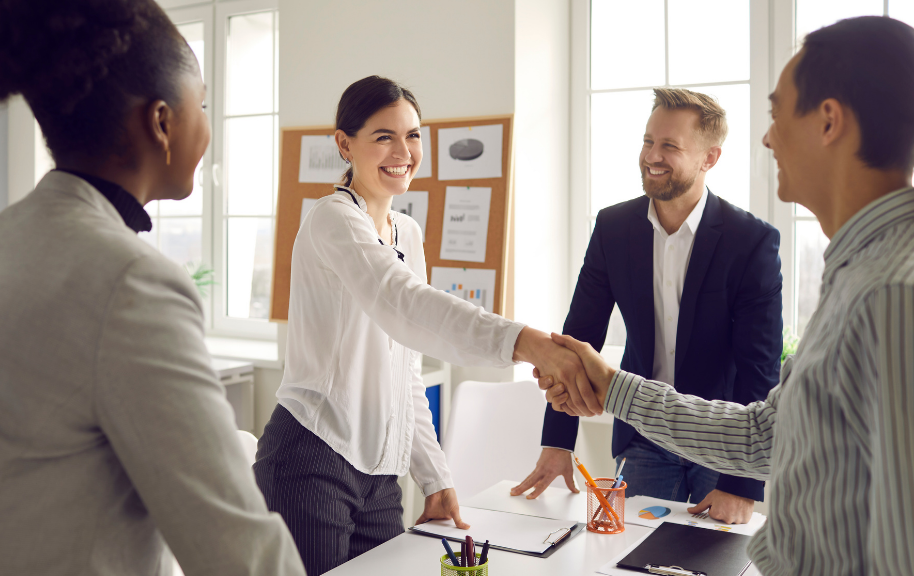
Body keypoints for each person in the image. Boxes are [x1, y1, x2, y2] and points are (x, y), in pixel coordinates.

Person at [0, 1, 305, 575]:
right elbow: (239, 552)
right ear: (163, 123)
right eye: (202, 104)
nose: (207, 124)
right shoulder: (131, 280)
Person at [542, 16, 914, 576]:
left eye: (776, 113)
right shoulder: (859, 275)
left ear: (829, 121)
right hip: (650, 441)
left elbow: (899, 541)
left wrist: (741, 487)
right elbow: (765, 434)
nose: (767, 138)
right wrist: (607, 393)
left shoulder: (890, 293)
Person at [252, 76, 591, 576]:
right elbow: (400, 301)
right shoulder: (332, 219)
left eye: (412, 135)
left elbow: (405, 369)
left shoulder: (406, 231)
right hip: (311, 458)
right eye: (383, 136)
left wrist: (433, 477)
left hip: (382, 477)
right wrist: (526, 343)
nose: (404, 151)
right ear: (345, 144)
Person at [512, 88, 782, 524]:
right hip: (643, 438)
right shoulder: (614, 227)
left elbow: (760, 366)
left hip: (721, 442)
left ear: (709, 158)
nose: (651, 155)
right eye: (647, 141)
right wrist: (558, 442)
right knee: (629, 557)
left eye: (669, 146)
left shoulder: (750, 240)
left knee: (711, 564)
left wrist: (741, 482)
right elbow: (577, 338)